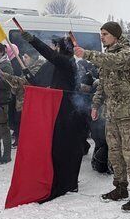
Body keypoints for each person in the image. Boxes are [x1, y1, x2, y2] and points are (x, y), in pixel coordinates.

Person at [75, 22, 130, 212]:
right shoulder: (107, 54)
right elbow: (103, 85)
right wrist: (95, 105)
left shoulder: (126, 54)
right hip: (112, 114)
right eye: (101, 34)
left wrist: (87, 54)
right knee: (115, 154)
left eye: (105, 34)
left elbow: (112, 61)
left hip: (128, 114)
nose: (102, 37)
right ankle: (120, 187)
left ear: (115, 35)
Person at [20, 32, 87, 199]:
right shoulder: (64, 63)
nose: (54, 48)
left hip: (68, 113)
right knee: (62, 148)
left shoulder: (65, 61)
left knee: (65, 149)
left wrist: (33, 40)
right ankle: (65, 181)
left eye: (57, 46)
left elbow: (49, 54)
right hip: (65, 110)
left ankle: (66, 183)